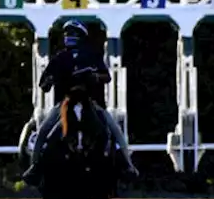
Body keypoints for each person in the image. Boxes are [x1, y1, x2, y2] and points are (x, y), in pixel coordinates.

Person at [22, 20, 136, 186]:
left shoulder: (93, 55)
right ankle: (35, 167)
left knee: (116, 131)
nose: (69, 37)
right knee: (43, 132)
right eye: (67, 34)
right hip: (64, 103)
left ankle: (128, 165)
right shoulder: (59, 58)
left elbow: (107, 76)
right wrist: (49, 81)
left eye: (73, 34)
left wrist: (94, 77)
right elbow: (43, 83)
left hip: (91, 102)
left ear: (81, 37)